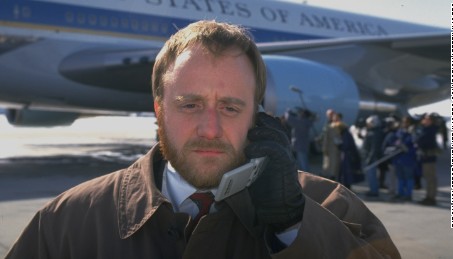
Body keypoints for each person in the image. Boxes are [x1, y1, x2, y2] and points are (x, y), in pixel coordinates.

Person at [6, 20, 400, 259]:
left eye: (230, 107)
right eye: (190, 105)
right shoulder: (65, 223)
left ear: (258, 115)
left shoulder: (329, 206)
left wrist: (294, 227)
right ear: (159, 109)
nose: (210, 129)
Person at [386, 116, 417, 202]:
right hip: (399, 159)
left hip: (408, 159)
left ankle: (408, 194)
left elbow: (414, 146)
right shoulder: (399, 132)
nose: (404, 124)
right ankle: (400, 193)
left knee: (408, 178)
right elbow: (394, 142)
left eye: (406, 122)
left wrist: (407, 148)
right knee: (400, 178)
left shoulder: (413, 134)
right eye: (403, 122)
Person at [416, 113, 440, 206]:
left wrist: (418, 141)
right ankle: (428, 196)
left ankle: (431, 198)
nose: (423, 120)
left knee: (431, 178)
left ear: (430, 120)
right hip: (426, 157)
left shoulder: (430, 130)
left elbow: (423, 141)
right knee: (428, 178)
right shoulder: (426, 129)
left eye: (426, 119)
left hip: (429, 157)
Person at [284, 107, 315, 171]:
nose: (298, 114)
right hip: (302, 145)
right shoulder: (306, 121)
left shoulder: (301, 122)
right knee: (301, 162)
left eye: (300, 113)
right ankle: (302, 177)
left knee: (303, 164)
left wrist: (288, 111)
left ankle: (306, 177)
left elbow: (288, 118)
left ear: (304, 115)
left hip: (300, 145)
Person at [362, 115, 384, 197]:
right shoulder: (371, 131)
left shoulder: (375, 133)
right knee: (370, 175)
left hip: (371, 157)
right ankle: (372, 189)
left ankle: (374, 191)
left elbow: (374, 148)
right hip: (368, 156)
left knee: (372, 175)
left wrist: (370, 159)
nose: (367, 124)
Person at [321, 109, 341, 180]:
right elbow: (325, 134)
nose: (329, 116)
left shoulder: (337, 124)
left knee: (333, 163)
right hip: (327, 146)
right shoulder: (327, 123)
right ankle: (327, 175)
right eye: (328, 115)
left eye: (330, 115)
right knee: (327, 162)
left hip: (333, 147)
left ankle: (332, 176)